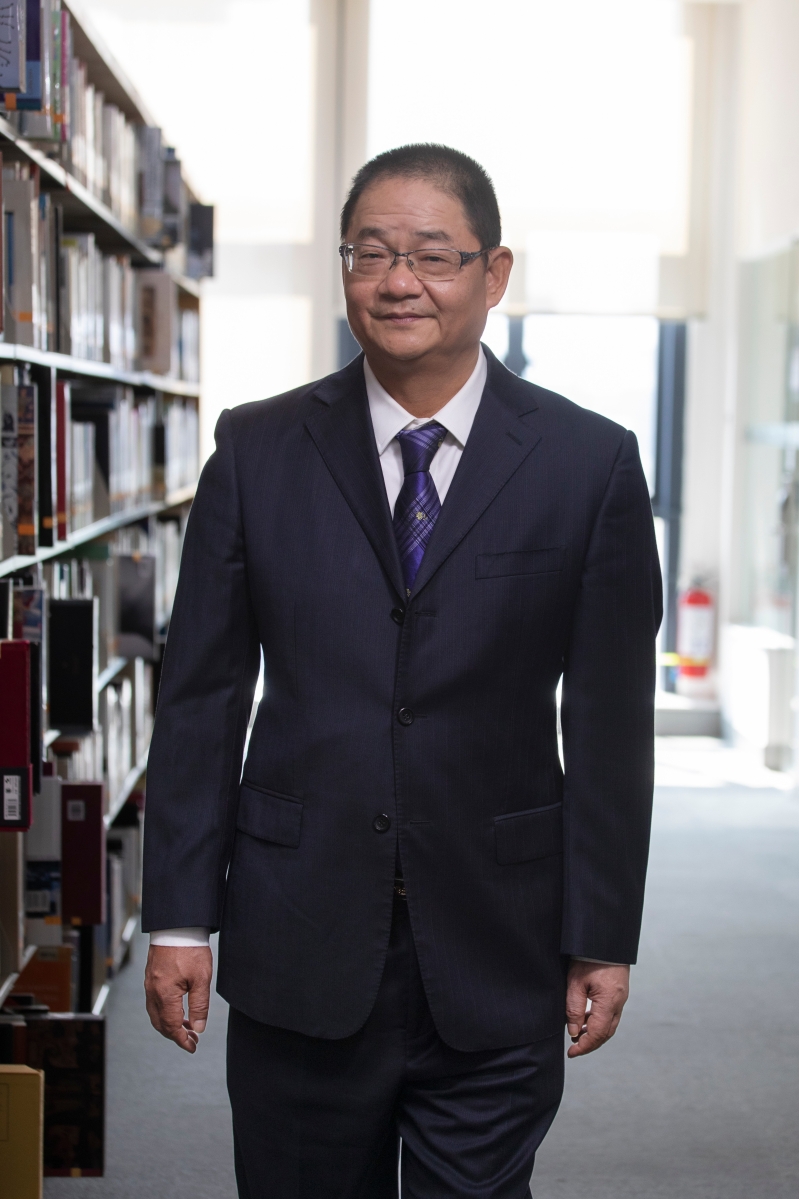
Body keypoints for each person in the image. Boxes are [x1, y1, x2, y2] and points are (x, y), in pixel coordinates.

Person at [142, 143, 662, 1198]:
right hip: (300, 933)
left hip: (498, 939)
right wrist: (179, 916)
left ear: (493, 272)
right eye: (370, 252)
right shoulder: (256, 450)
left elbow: (611, 725)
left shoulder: (589, 463)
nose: (397, 281)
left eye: (432, 254)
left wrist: (603, 935)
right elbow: (200, 697)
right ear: (344, 268)